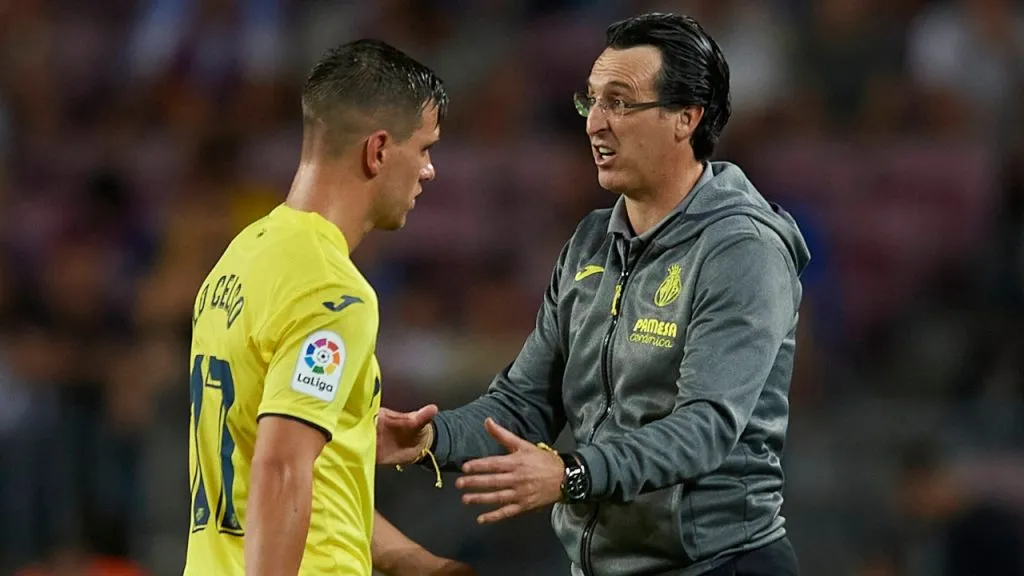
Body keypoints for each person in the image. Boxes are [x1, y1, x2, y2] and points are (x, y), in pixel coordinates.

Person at [378, 13, 808, 576]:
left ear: (687, 117)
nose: (595, 124)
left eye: (621, 103)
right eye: (592, 102)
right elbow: (524, 403)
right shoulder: (590, 244)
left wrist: (570, 473)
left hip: (721, 564)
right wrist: (431, 437)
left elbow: (705, 429)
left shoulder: (743, 251)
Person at [183, 39, 474, 576]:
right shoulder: (333, 291)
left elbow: (295, 472)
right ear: (379, 150)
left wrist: (425, 566)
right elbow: (282, 472)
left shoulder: (240, 258)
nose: (430, 170)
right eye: (426, 148)